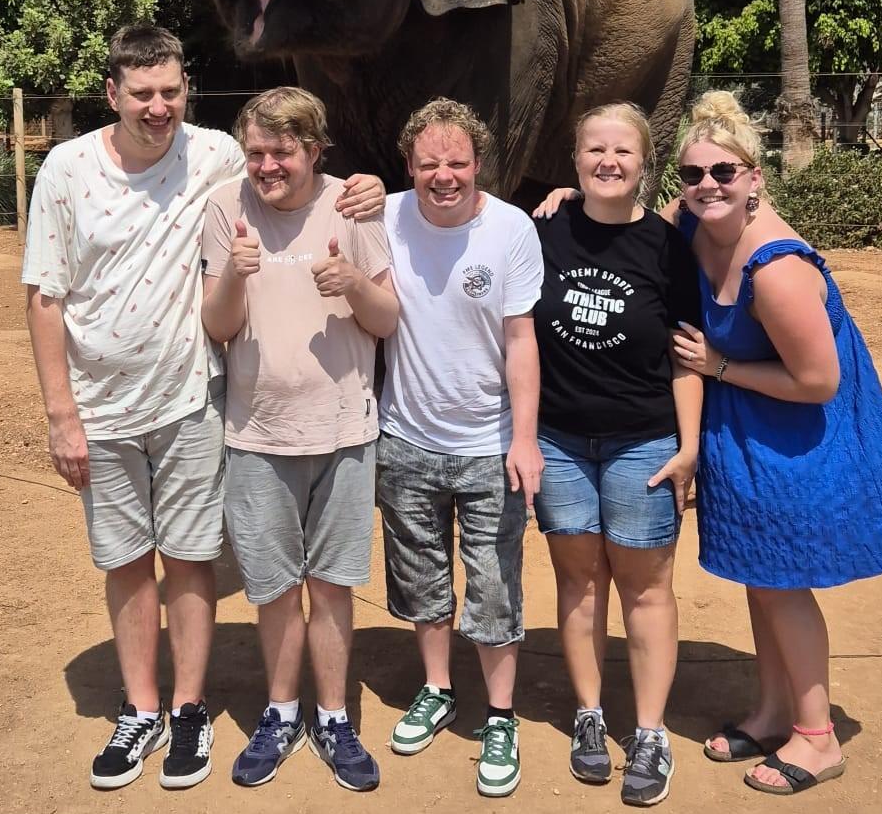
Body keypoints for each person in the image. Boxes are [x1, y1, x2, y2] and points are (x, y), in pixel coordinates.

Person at [21, 25, 384, 792]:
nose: (158, 107)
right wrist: (60, 412)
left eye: (171, 91)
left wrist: (373, 187)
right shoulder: (66, 169)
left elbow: (299, 159)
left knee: (190, 558)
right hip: (102, 405)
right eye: (142, 93)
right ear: (112, 93)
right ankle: (140, 705)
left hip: (192, 399)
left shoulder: (217, 153)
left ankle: (188, 706)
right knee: (124, 560)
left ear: (187, 90)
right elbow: (44, 297)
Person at [667, 91, 882, 797]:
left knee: (784, 584)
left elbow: (819, 380)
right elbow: (630, 220)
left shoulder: (776, 270)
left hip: (799, 438)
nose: (707, 186)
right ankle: (775, 708)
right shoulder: (692, 221)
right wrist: (569, 193)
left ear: (756, 176)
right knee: (763, 575)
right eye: (693, 174)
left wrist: (718, 368)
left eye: (724, 172)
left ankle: (817, 737)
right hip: (749, 433)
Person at [201, 87, 398, 793]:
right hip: (256, 433)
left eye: (282, 152)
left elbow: (386, 317)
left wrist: (351, 280)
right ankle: (282, 713)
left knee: (332, 581)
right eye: (255, 152)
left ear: (315, 149)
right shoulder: (227, 207)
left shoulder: (353, 204)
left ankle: (335, 716)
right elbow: (218, 326)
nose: (266, 166)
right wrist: (234, 272)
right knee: (276, 586)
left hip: (345, 429)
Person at [531, 103, 702, 807]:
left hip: (645, 439)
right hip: (559, 440)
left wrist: (690, 445)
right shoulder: (542, 230)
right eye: (594, 149)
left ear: (644, 162)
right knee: (578, 581)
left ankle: (652, 730)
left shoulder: (668, 247)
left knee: (646, 584)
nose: (608, 161)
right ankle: (591, 714)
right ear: (574, 161)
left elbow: (686, 354)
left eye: (622, 151)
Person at [377, 98, 544, 799]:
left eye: (457, 162)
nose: (443, 176)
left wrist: (526, 437)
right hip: (406, 436)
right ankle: (438, 688)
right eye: (429, 163)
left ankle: (500, 713)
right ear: (409, 165)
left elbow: (520, 342)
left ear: (479, 163)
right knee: (421, 577)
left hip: (487, 443)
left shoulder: (509, 228)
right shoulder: (383, 215)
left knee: (495, 581)